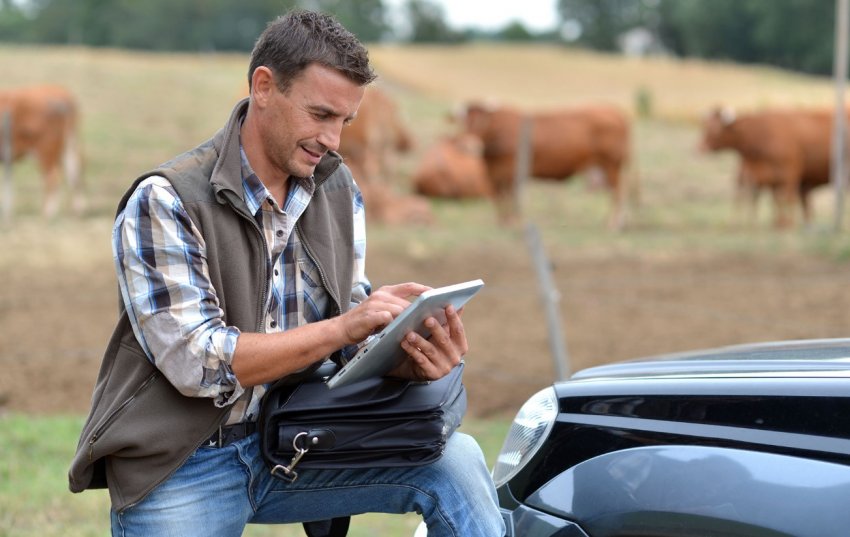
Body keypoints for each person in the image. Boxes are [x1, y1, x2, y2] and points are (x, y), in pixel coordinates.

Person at [67, 9, 505, 537]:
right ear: (264, 86)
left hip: (298, 440)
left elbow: (346, 331)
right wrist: (346, 327)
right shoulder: (165, 198)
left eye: (344, 121)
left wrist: (401, 357)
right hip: (183, 463)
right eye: (320, 114)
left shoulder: (339, 191)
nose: (333, 140)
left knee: (455, 461)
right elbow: (196, 361)